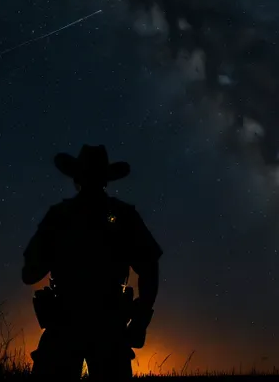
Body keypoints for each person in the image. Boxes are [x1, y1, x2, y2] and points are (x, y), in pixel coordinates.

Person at [22, 144, 163, 380]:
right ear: (106, 180)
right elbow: (150, 268)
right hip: (108, 325)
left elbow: (29, 274)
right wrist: (140, 320)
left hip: (65, 324)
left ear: (76, 178)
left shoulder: (59, 216)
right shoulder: (123, 215)